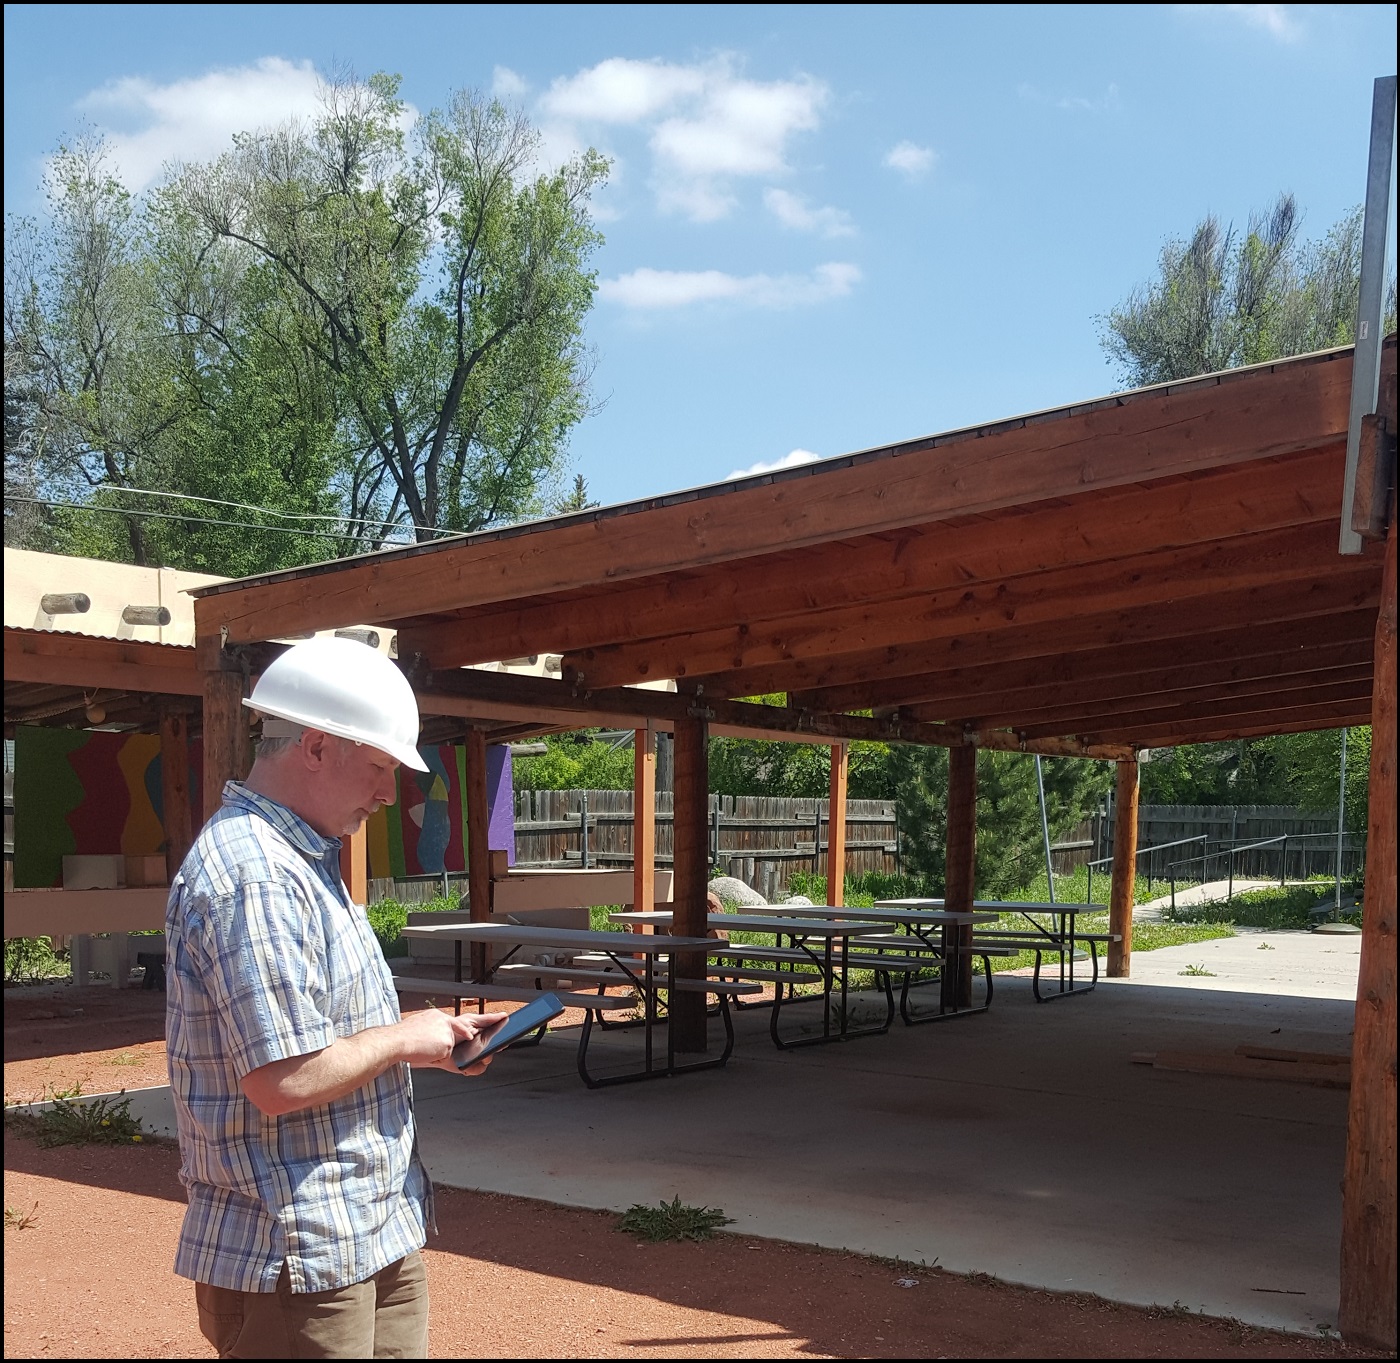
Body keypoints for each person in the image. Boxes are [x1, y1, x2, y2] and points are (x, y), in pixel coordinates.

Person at [165, 636, 505, 1360]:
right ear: (316, 746)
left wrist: (431, 1035)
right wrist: (405, 1037)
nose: (387, 793)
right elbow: (282, 1078)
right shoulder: (255, 872)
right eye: (380, 766)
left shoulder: (302, 860)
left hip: (364, 1230)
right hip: (297, 1248)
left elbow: (326, 1032)